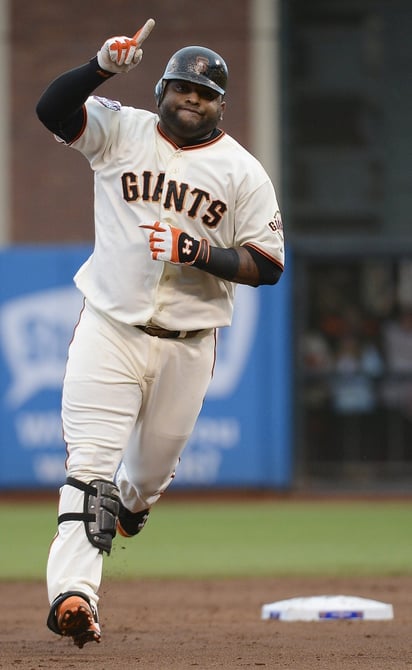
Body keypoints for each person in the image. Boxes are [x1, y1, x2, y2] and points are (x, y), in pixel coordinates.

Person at [36, 18, 284, 648]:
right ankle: (74, 597)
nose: (190, 99)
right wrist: (100, 66)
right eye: (180, 87)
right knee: (87, 470)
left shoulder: (243, 171)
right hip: (110, 329)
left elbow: (269, 264)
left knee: (144, 480)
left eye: (204, 93)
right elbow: (51, 108)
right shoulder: (120, 130)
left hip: (188, 346)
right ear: (160, 91)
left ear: (221, 104)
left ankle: (131, 505)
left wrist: (200, 252)